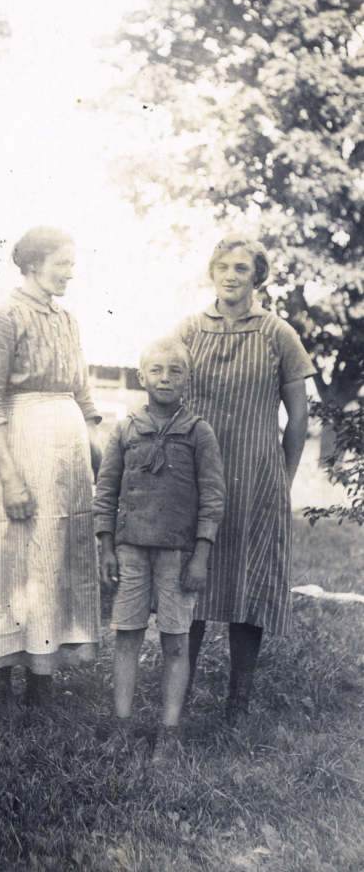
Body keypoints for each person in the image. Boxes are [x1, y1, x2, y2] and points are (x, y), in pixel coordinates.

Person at [174, 234, 316, 724]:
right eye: (223, 267)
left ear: (258, 276)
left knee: (247, 590)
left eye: (241, 268)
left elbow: (299, 418)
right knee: (189, 587)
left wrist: (285, 476)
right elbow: (166, 393)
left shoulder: (278, 333)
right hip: (195, 478)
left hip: (257, 478)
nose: (231, 275)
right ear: (211, 272)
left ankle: (238, 702)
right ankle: (180, 696)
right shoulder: (190, 329)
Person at [0, 226, 102, 714]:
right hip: (19, 446)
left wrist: (98, 456)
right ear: (32, 264)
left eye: (71, 264)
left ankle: (42, 681)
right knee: (9, 558)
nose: (69, 272)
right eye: (62, 263)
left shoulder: (67, 319)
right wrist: (11, 477)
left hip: (67, 453)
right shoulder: (2, 317)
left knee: (52, 559)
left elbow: (84, 397)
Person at [95, 339, 226, 761]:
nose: (165, 378)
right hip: (131, 549)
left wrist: (201, 554)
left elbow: (213, 497)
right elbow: (106, 490)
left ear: (188, 379)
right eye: (156, 370)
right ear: (142, 376)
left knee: (175, 643)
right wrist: (106, 545)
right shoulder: (126, 429)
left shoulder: (198, 431)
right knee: (128, 637)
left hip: (179, 556)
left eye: (175, 371)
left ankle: (168, 733)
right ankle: (121, 725)